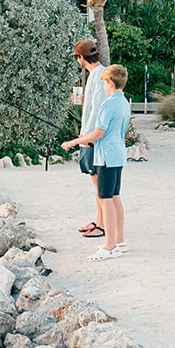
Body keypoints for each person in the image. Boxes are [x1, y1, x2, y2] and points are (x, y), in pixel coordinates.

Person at [62, 63, 129, 261]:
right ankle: (120, 241)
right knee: (115, 196)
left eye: (104, 84)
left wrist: (74, 141)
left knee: (105, 199)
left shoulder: (108, 104)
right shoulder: (124, 101)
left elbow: (98, 133)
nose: (103, 88)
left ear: (110, 83)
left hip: (106, 157)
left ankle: (109, 246)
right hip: (117, 155)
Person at [69, 39, 106, 239]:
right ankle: (98, 220)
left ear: (81, 58)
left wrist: (87, 137)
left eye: (77, 57)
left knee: (98, 183)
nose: (77, 61)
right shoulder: (96, 74)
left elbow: (98, 109)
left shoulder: (99, 75)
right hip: (89, 137)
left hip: (92, 139)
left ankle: (102, 224)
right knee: (96, 182)